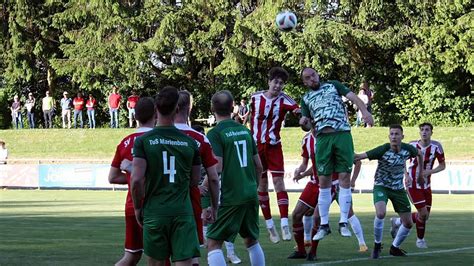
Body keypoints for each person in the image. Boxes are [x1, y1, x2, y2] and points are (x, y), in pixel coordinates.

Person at [299, 67, 373, 240]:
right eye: (307, 78)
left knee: (344, 178)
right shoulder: (306, 99)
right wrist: (303, 122)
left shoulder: (333, 85)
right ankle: (324, 225)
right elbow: (307, 125)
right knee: (323, 180)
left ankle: (343, 223)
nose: (312, 79)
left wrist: (365, 112)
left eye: (313, 75)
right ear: (304, 82)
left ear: (318, 75)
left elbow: (353, 97)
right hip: (323, 139)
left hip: (342, 134)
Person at [131, 86, 201, 266]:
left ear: (155, 109)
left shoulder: (143, 141)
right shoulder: (191, 142)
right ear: (177, 109)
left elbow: (136, 179)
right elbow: (194, 181)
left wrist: (138, 208)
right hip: (182, 213)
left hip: (155, 213)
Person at [206, 90, 265, 266]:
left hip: (231, 196)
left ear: (212, 108)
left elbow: (217, 167)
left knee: (213, 244)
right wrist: (252, 187)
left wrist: (204, 185)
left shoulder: (215, 133)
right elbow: (259, 166)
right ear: (233, 107)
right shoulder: (245, 131)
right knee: (251, 240)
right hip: (249, 192)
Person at [288, 132, 368, 261]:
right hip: (314, 183)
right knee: (296, 214)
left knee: (318, 216)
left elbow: (355, 160)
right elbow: (306, 163)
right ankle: (301, 250)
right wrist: (300, 171)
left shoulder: (333, 136)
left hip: (331, 184)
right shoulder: (307, 139)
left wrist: (351, 181)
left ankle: (313, 252)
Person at [354, 124, 423, 259]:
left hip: (398, 189)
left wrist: (419, 174)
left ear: (402, 137)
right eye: (391, 134)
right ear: (389, 136)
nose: (394, 137)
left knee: (408, 223)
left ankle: (394, 248)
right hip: (382, 186)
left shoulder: (408, 149)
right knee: (381, 213)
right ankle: (377, 245)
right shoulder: (382, 149)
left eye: (397, 134)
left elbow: (420, 154)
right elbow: (359, 156)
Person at [250, 67, 299, 243]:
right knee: (261, 186)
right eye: (275, 82)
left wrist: (303, 118)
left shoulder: (285, 99)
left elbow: (297, 111)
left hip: (273, 146)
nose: (278, 85)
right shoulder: (254, 98)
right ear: (269, 81)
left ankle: (284, 224)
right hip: (256, 148)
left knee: (279, 183)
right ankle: (270, 227)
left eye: (281, 83)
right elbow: (250, 120)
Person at [174, 90, 220, 266]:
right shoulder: (200, 138)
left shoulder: (156, 136)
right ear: (190, 108)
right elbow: (214, 177)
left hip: (161, 202)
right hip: (189, 203)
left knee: (160, 256)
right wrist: (214, 207)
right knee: (191, 254)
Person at [108, 97, 156, 266]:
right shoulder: (158, 140)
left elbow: (112, 177)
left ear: (135, 116)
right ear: (155, 114)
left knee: (131, 257)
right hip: (156, 206)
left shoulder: (125, 142)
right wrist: (135, 173)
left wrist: (132, 176)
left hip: (132, 205)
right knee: (160, 257)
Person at [192, 125, 243, 265]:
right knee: (204, 217)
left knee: (219, 219)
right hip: (202, 187)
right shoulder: (190, 147)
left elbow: (217, 167)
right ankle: (204, 243)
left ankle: (230, 252)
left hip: (214, 186)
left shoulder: (209, 146)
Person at [390, 122, 446, 249]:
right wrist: (406, 175)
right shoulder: (412, 145)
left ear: (432, 132)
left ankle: (398, 221)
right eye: (422, 130)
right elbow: (401, 159)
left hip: (426, 186)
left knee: (424, 216)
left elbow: (443, 165)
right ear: (419, 132)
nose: (424, 132)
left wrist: (430, 172)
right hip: (412, 184)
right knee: (423, 213)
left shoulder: (436, 147)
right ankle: (420, 240)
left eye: (427, 130)